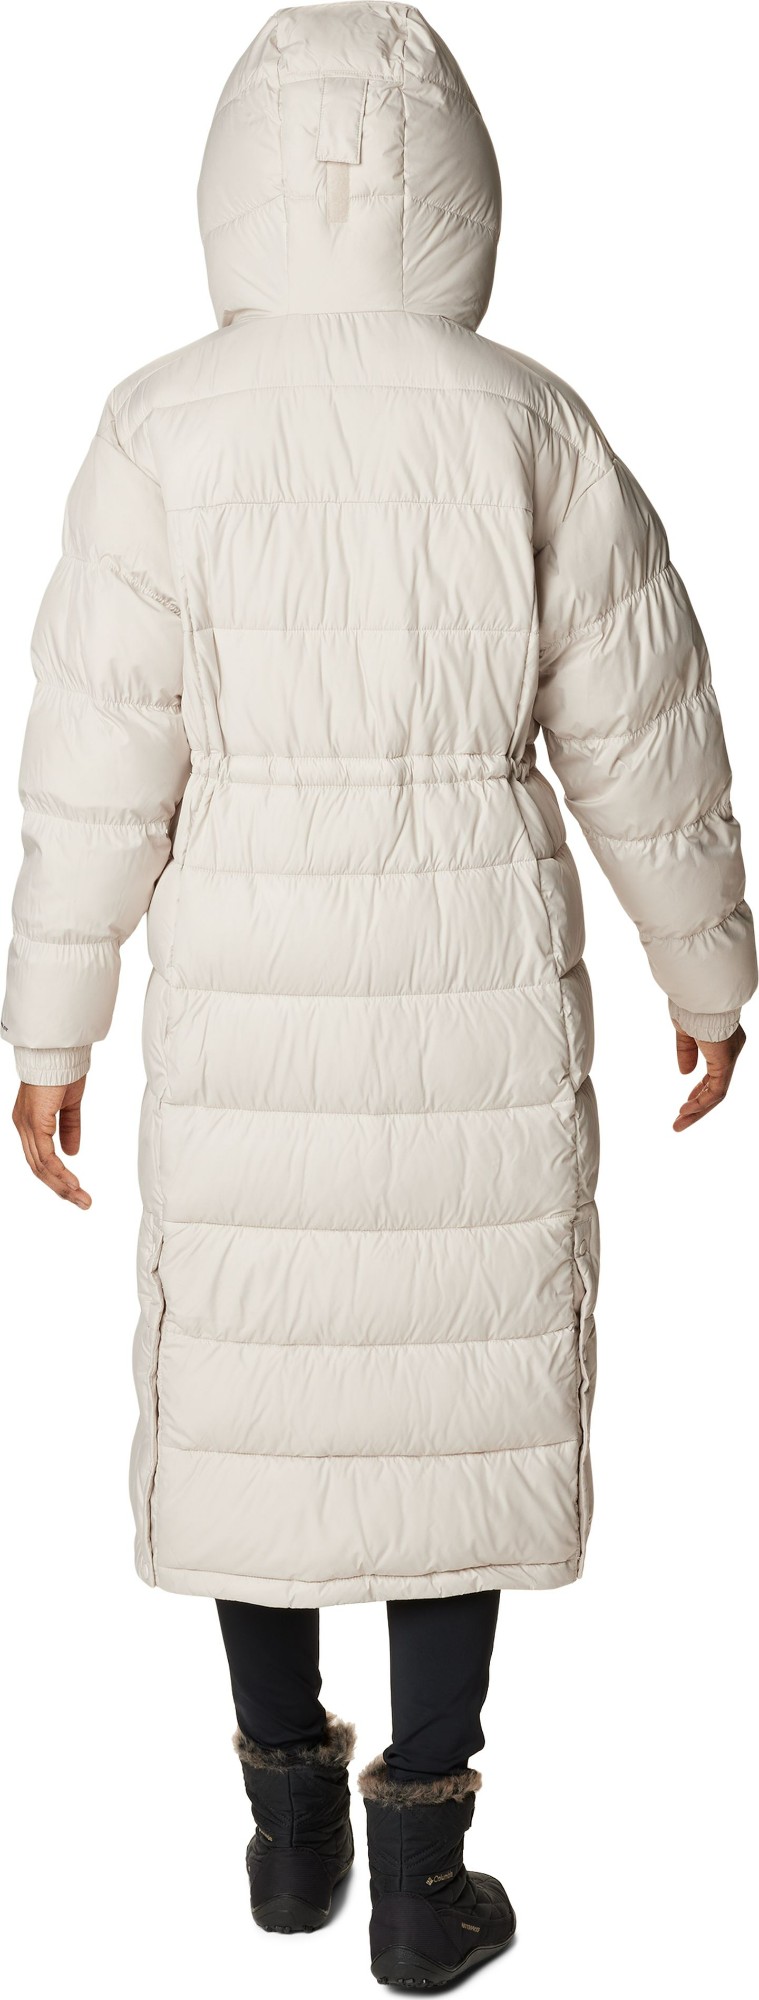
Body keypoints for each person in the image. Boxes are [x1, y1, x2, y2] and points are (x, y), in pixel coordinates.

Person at [3, 3, 755, 1988]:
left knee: (260, 1393)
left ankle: (282, 1829)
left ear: (235, 190)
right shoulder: (526, 418)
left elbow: (96, 755)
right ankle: (423, 1873)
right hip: (470, 966)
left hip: (248, 972)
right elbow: (642, 722)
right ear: (455, 190)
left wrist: (51, 1024)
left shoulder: (160, 426)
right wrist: (706, 960)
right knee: (447, 1403)